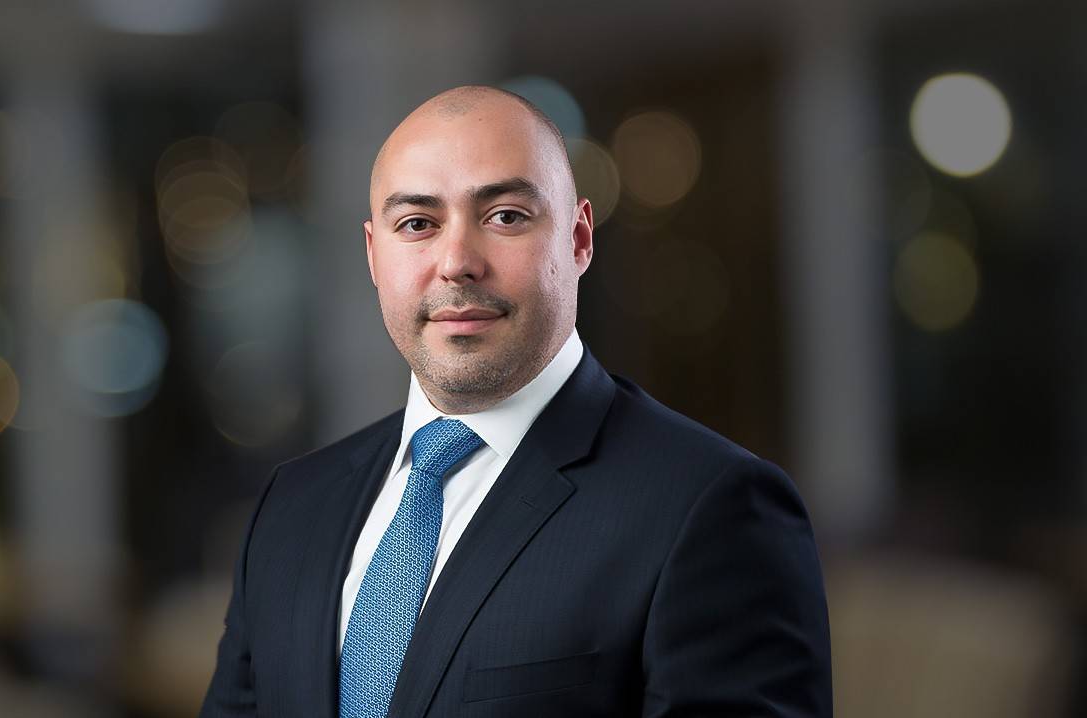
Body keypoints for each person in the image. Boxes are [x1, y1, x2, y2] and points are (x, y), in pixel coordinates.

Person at [199, 86, 831, 717]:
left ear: (579, 239)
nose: (457, 262)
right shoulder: (292, 507)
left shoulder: (710, 506)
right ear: (373, 255)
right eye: (417, 224)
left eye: (505, 216)